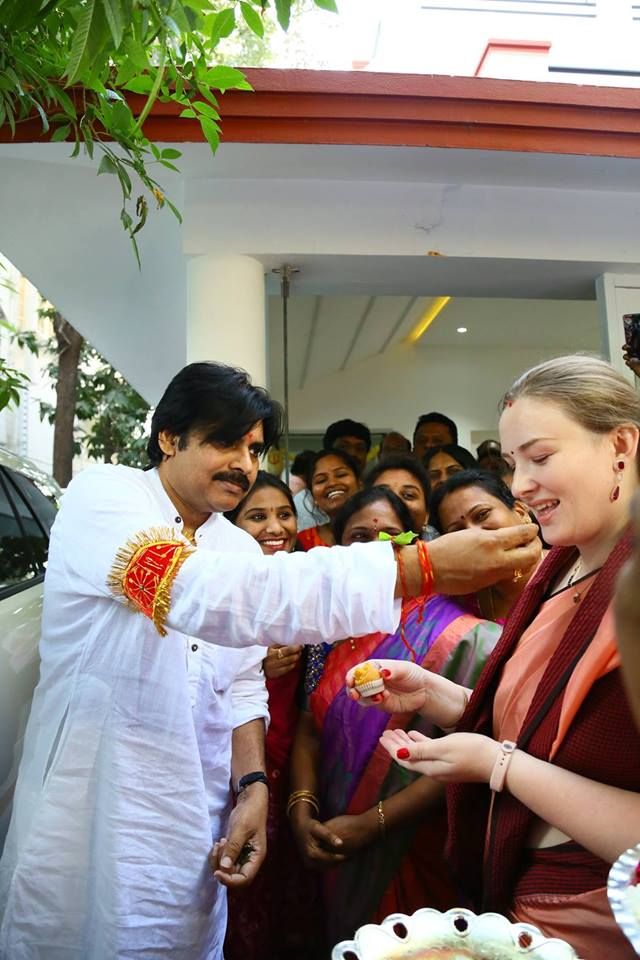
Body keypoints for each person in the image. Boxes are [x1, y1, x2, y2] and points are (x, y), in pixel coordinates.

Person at [0, 361, 540, 960]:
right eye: (225, 442)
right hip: (93, 811)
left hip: (191, 818)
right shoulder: (106, 501)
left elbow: (240, 686)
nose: (244, 464)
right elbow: (198, 594)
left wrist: (252, 788)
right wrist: (420, 567)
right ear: (169, 438)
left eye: (255, 448)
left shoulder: (233, 544)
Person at [348, 355, 640, 959]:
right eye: (513, 464)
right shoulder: (563, 565)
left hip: (603, 919)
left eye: (540, 457)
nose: (522, 485)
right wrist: (442, 697)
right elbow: (540, 726)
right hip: (526, 905)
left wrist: (497, 766)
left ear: (621, 444)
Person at [290, 487, 502, 946]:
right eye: (359, 535)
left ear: (417, 544)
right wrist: (301, 810)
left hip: (418, 838)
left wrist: (374, 822)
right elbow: (308, 726)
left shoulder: (460, 630)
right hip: (333, 829)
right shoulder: (327, 628)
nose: (376, 545)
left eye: (391, 533)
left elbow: (480, 744)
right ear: (339, 549)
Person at [224, 472, 320, 960]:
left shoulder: (309, 584)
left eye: (284, 513)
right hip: (240, 766)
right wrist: (253, 665)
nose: (274, 527)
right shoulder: (218, 589)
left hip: (298, 765)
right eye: (256, 516)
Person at [429, 469, 540, 622]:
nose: (474, 535)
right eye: (458, 530)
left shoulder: (570, 571)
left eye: (482, 514)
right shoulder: (459, 601)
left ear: (521, 513)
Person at [297, 449, 361, 549]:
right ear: (313, 497)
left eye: (341, 475)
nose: (332, 483)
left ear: (359, 484)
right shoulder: (302, 542)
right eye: (321, 480)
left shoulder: (379, 533)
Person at [364, 454, 436, 540]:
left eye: (408, 495)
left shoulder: (444, 552)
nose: (395, 500)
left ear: (427, 515)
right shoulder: (352, 548)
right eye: (383, 493)